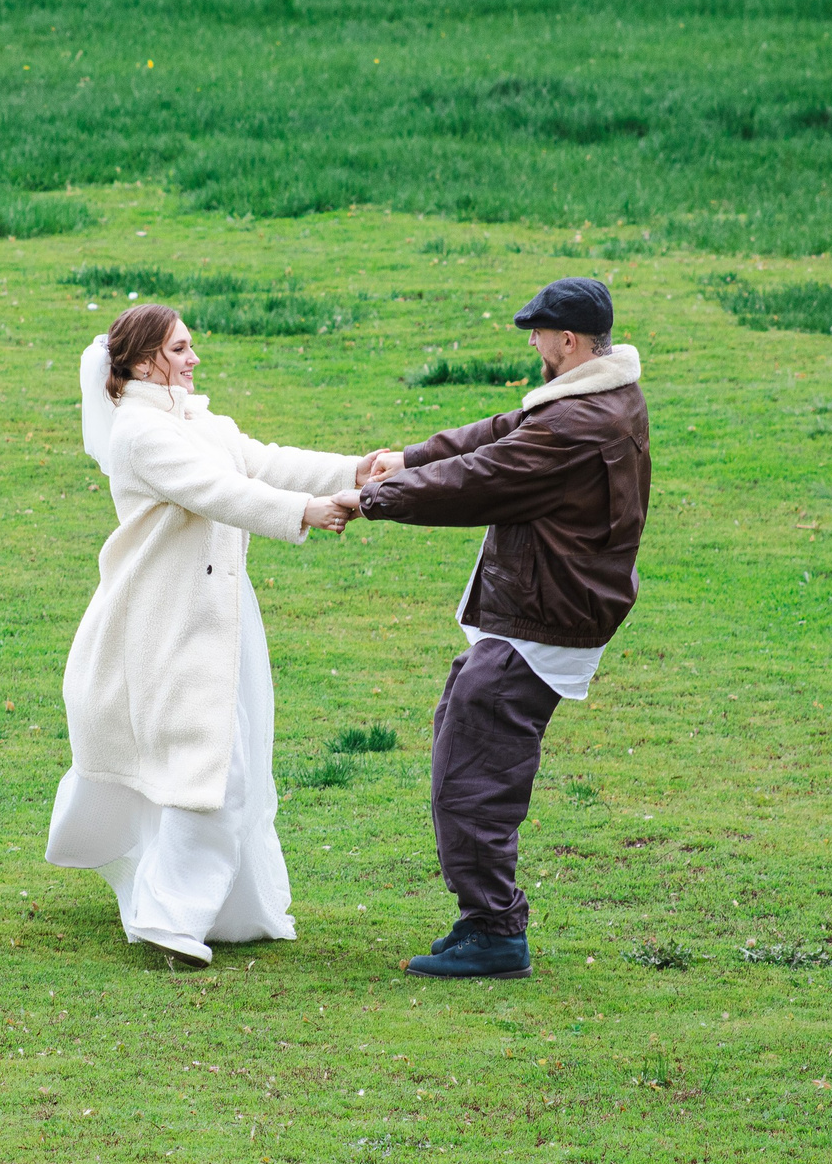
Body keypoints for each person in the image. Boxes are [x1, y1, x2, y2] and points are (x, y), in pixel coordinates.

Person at [49, 303, 397, 964]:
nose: (193, 358)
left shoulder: (194, 418)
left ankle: (229, 910)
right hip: (165, 620)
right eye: (180, 349)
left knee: (235, 752)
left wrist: (355, 469)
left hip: (220, 613)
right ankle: (169, 915)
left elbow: (262, 461)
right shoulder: (140, 434)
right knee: (209, 760)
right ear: (145, 359)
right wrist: (308, 513)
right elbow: (217, 491)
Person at [331, 276, 650, 980]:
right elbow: (504, 431)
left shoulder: (579, 423)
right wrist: (412, 456)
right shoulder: (599, 394)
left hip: (547, 616)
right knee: (464, 728)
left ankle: (495, 930)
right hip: (549, 607)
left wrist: (371, 499)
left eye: (538, 334)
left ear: (567, 341)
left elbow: (484, 476)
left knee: (471, 772)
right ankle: (484, 919)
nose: (532, 345)